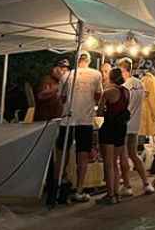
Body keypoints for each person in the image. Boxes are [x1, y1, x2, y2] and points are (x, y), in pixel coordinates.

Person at [55, 51, 102, 203]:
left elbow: (61, 98)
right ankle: (79, 190)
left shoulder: (66, 75)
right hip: (85, 120)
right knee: (82, 155)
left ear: (77, 60)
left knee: (62, 154)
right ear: (88, 61)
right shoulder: (96, 74)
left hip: (67, 119)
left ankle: (58, 185)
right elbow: (98, 96)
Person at [117, 58, 153, 196]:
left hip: (125, 124)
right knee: (134, 154)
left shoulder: (125, 86)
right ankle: (146, 183)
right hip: (135, 124)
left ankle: (127, 186)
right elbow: (144, 97)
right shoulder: (140, 83)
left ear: (123, 69)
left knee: (123, 155)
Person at [97, 67, 130, 205]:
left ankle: (110, 195)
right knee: (115, 162)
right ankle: (116, 193)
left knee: (108, 163)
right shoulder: (126, 92)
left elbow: (99, 111)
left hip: (109, 128)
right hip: (121, 128)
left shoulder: (108, 92)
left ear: (110, 77)